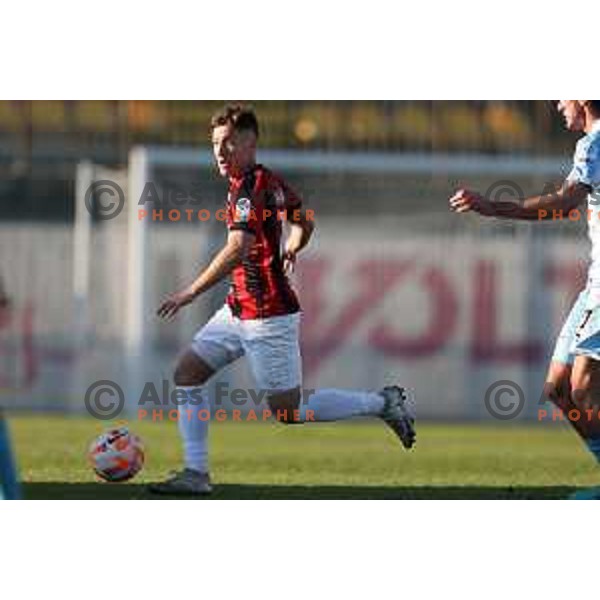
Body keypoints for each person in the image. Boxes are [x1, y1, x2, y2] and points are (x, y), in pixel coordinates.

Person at [149, 105, 416, 495]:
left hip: (267, 315)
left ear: (250, 142)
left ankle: (382, 403)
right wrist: (293, 244)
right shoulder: (267, 181)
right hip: (238, 309)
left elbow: (237, 248)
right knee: (187, 373)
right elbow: (305, 219)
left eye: (228, 143)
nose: (220, 153)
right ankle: (196, 473)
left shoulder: (248, 188)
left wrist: (190, 291)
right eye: (214, 145)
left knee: (288, 410)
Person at [449, 100, 600, 499]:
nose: (557, 104)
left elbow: (565, 203)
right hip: (593, 288)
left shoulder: (594, 144)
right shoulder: (591, 144)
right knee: (559, 389)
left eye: (563, 95)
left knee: (584, 386)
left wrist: (495, 207)